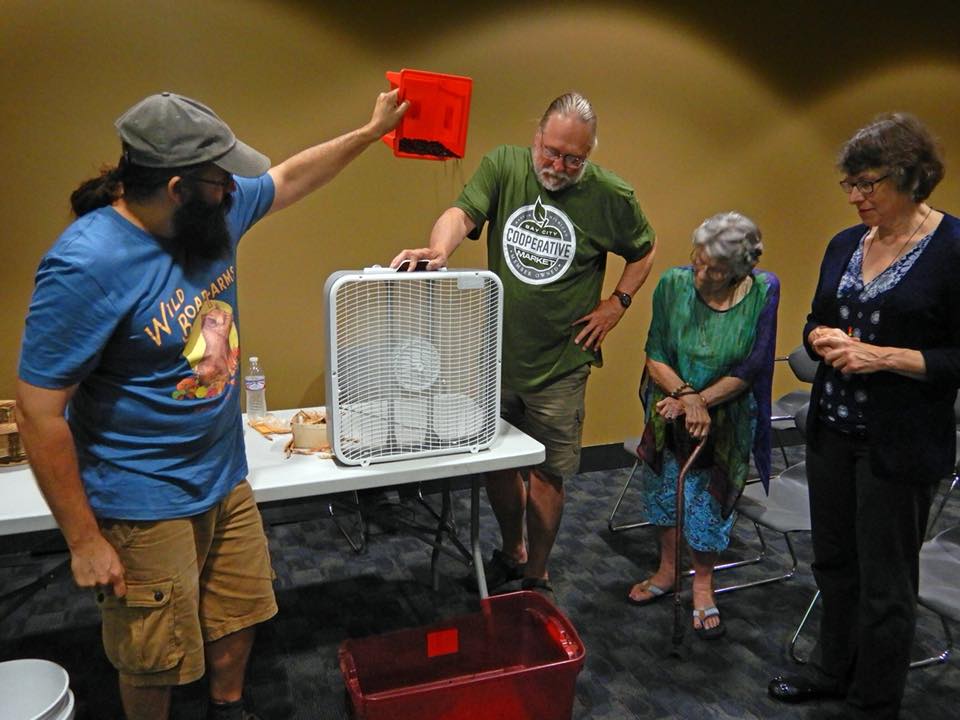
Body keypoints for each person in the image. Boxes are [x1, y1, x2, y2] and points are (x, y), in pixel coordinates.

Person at [15, 89, 407, 720]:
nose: (234, 189)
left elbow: (289, 176)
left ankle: (228, 709)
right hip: (144, 497)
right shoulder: (87, 263)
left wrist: (369, 132)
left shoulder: (214, 212)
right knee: (154, 654)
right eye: (220, 180)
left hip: (224, 475)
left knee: (240, 611)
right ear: (176, 188)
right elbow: (37, 411)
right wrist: (83, 539)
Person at [390, 92, 656, 595]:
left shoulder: (611, 195)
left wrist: (617, 303)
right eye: (551, 152)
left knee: (548, 475)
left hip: (561, 360)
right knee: (498, 465)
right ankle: (512, 549)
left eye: (573, 158)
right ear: (536, 137)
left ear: (590, 153)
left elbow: (644, 250)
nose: (558, 166)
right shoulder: (504, 166)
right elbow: (461, 215)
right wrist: (439, 249)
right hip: (498, 357)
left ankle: (537, 572)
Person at [768, 113, 959, 719]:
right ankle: (832, 670)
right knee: (835, 564)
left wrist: (884, 357)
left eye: (868, 184)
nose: (855, 197)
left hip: (897, 444)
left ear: (909, 176)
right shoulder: (845, 244)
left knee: (885, 583)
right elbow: (814, 318)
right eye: (848, 185)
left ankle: (875, 702)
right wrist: (821, 336)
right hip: (831, 431)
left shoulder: (953, 248)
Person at [626, 212, 779, 639]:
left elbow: (753, 364)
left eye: (714, 268)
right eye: (698, 260)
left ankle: (703, 584)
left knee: (708, 503)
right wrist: (687, 398)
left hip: (728, 414)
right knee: (662, 490)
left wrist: (704, 402)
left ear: (740, 270)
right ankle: (668, 570)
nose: (701, 273)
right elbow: (655, 351)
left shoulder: (764, 290)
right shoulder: (673, 284)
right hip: (669, 402)